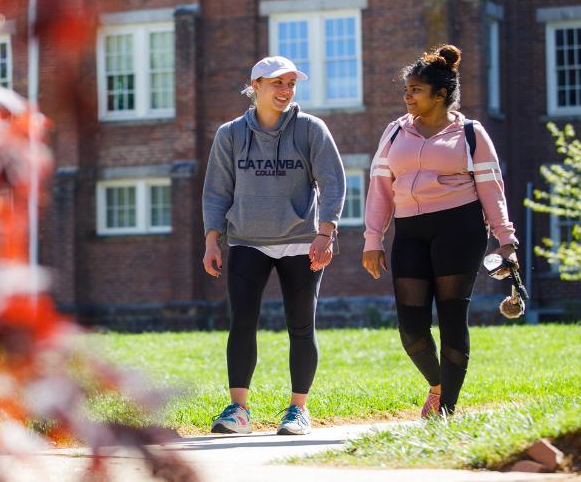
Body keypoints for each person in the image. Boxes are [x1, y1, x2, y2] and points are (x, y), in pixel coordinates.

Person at [362, 45, 518, 417]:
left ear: (441, 94)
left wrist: (506, 240)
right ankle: (437, 384)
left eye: (415, 90)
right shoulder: (395, 131)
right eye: (407, 90)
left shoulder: (470, 133)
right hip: (410, 231)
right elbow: (380, 186)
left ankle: (445, 409)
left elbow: (491, 186)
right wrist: (373, 238)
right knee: (411, 327)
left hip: (458, 228)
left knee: (451, 317)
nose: (407, 96)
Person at [202, 56, 346, 435]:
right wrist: (211, 239)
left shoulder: (311, 129)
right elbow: (217, 190)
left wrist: (326, 233)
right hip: (248, 240)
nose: (285, 91)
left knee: (301, 326)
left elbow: (333, 182)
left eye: (291, 85)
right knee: (242, 324)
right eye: (276, 84)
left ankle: (298, 410)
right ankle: (238, 411)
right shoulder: (230, 134)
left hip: (301, 242)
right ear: (256, 87)